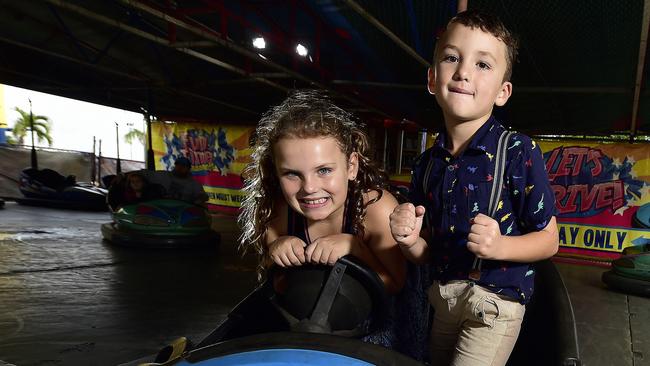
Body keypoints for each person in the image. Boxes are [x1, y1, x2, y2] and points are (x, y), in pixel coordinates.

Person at [389, 10, 558, 366]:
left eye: (483, 65)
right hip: (444, 298)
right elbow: (425, 254)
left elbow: (549, 240)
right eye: (452, 58)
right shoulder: (426, 165)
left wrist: (501, 245)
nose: (463, 71)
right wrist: (407, 240)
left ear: (502, 91)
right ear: (433, 78)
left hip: (495, 305)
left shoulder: (517, 151)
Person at [239, 89, 406, 296]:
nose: (309, 188)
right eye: (292, 174)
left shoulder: (377, 209)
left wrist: (356, 249)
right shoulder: (278, 212)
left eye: (324, 170)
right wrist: (276, 251)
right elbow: (280, 287)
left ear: (351, 166)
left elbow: (396, 285)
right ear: (275, 171)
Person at [138, 157, 209, 206]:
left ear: (188, 169)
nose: (180, 168)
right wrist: (132, 174)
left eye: (183, 166)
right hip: (163, 209)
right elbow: (144, 173)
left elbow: (204, 197)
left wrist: (200, 198)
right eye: (178, 165)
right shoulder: (163, 176)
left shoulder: (194, 184)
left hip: (183, 211)